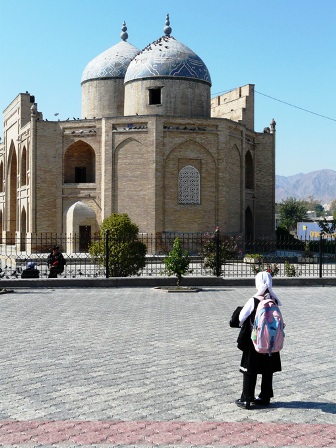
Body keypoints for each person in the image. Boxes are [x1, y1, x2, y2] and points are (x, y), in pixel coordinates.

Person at [235, 271, 282, 410]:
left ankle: (247, 399)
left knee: (249, 370)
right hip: (271, 341)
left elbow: (240, 318)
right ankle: (265, 396)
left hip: (254, 341)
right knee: (267, 369)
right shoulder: (274, 300)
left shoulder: (254, 300)